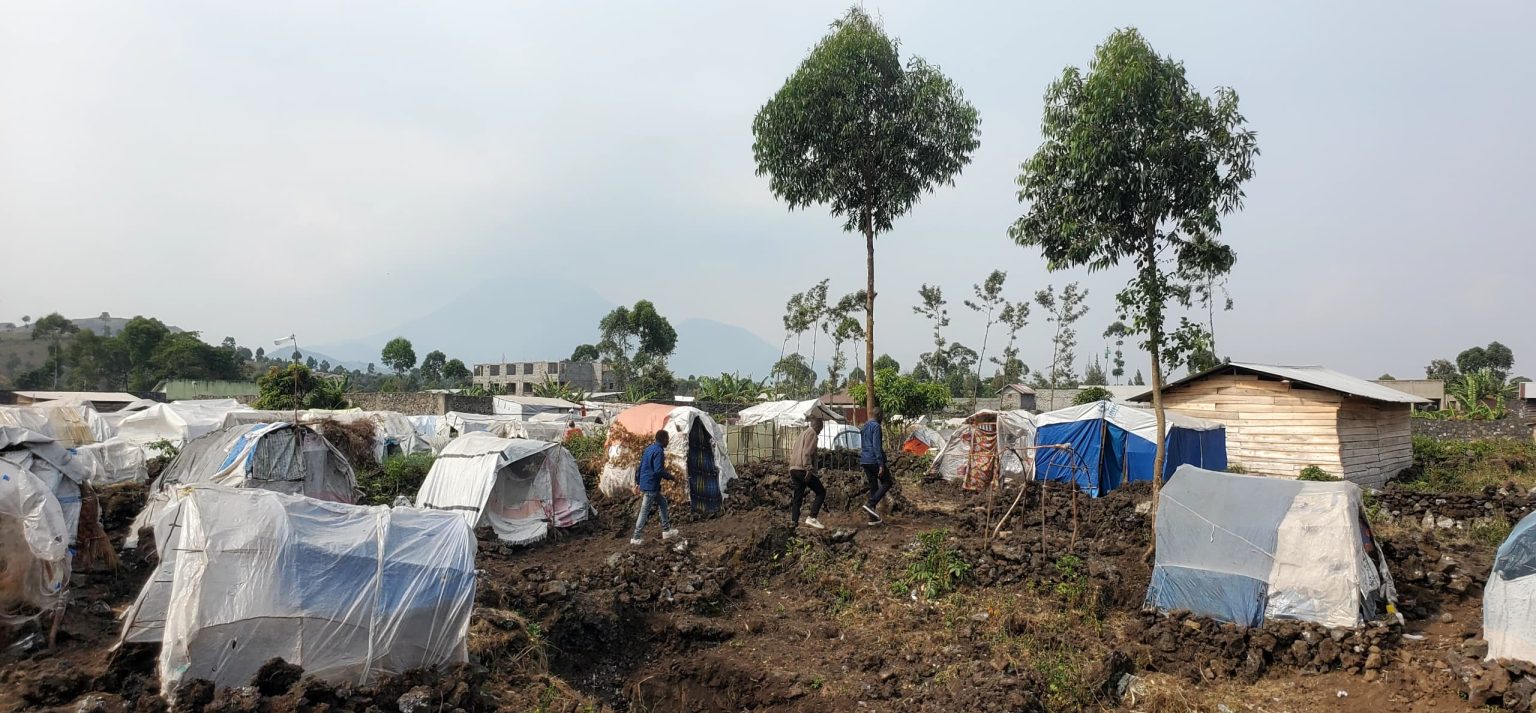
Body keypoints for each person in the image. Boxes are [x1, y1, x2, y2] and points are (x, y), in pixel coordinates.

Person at [631, 430, 681, 545]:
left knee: (663, 503)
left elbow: (640, 467)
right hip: (651, 485)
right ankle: (636, 537)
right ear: (663, 439)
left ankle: (666, 530)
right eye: (667, 439)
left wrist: (638, 482)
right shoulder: (659, 451)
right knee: (644, 511)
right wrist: (672, 478)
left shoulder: (649, 449)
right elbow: (658, 470)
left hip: (647, 483)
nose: (668, 441)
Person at [788, 417, 827, 529]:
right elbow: (807, 453)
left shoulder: (802, 434)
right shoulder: (812, 434)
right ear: (817, 426)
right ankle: (812, 517)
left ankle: (794, 521)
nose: (820, 432)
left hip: (794, 469)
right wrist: (809, 469)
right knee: (821, 492)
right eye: (820, 429)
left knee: (798, 496)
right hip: (802, 469)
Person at [859, 407, 892, 525]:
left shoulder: (864, 426)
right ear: (879, 415)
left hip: (864, 460)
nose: (882, 419)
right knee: (888, 482)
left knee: (873, 487)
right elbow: (876, 446)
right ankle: (871, 504)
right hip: (873, 459)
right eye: (882, 416)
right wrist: (881, 464)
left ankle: (872, 518)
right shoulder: (876, 427)